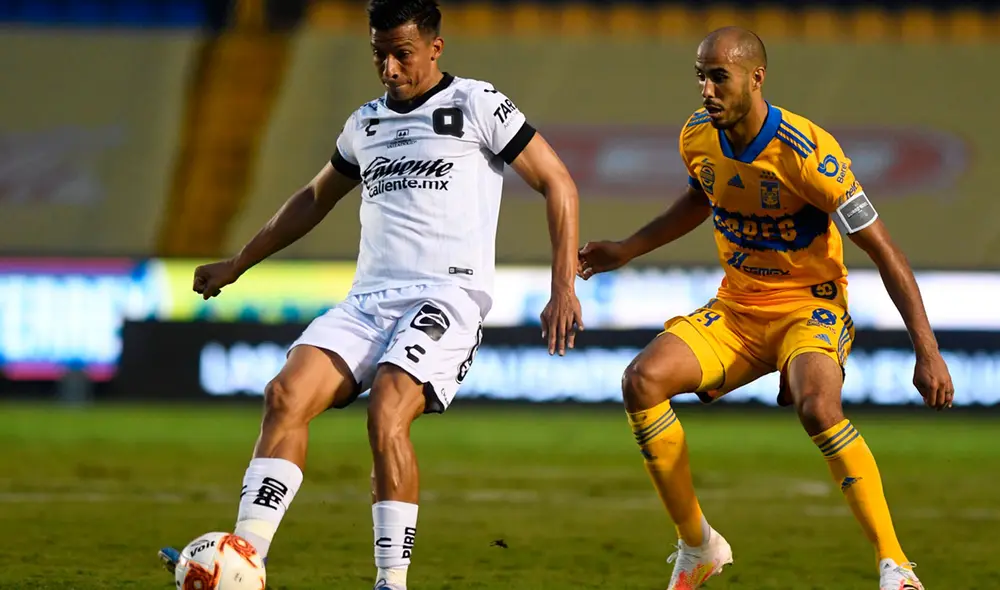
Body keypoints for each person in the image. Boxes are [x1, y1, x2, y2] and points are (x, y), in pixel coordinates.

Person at [158, 1, 584, 588]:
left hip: (447, 297)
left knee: (387, 407)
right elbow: (314, 198)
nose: (389, 68)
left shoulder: (476, 104)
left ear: (435, 47)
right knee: (284, 394)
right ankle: (245, 558)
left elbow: (557, 181)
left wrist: (562, 286)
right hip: (368, 302)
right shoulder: (366, 123)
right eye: (379, 55)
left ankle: (391, 581)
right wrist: (238, 264)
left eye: (401, 54)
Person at [577, 26, 951, 590]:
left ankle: (896, 567)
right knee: (641, 381)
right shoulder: (697, 135)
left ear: (756, 78)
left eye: (718, 77)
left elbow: (884, 250)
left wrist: (927, 350)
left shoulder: (809, 154)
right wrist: (628, 249)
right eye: (700, 77)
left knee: (818, 408)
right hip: (738, 308)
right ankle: (698, 545)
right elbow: (701, 198)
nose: (706, 90)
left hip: (809, 308)